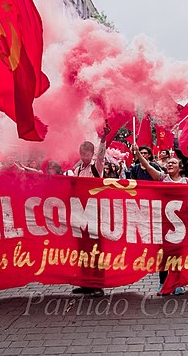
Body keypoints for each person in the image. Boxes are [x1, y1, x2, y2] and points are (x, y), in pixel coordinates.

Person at [132, 143, 188, 295]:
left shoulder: (186, 182)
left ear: (180, 167)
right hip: (163, 223)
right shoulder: (162, 178)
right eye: (168, 162)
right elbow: (148, 167)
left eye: (173, 162)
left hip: (181, 225)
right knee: (163, 254)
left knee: (178, 255)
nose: (170, 164)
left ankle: (176, 283)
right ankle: (163, 283)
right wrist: (137, 153)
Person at [71, 124, 110, 298]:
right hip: (81, 213)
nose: (84, 156)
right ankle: (86, 283)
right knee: (83, 249)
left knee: (95, 249)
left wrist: (103, 139)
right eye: (82, 153)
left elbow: (101, 154)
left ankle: (97, 284)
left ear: (91, 154)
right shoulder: (78, 169)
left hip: (94, 213)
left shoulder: (97, 167)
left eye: (86, 154)